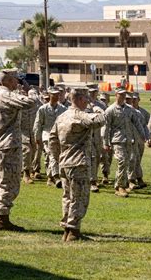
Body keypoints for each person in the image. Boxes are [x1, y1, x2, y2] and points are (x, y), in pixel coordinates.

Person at [49, 88, 106, 242]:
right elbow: (100, 120)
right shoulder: (79, 116)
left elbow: (53, 139)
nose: (87, 101)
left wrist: (58, 157)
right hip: (78, 162)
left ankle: (67, 229)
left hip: (65, 162)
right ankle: (74, 231)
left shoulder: (61, 116)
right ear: (80, 99)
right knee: (79, 197)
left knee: (68, 196)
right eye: (86, 99)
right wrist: (96, 107)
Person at [0, 69, 35, 231]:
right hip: (8, 146)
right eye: (15, 80)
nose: (17, 83)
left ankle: (0, 214)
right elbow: (30, 103)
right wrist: (31, 91)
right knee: (10, 181)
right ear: (8, 81)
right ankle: (2, 217)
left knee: (0, 180)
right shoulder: (6, 95)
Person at [103, 86, 147, 197]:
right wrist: (106, 143)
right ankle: (120, 186)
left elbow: (137, 123)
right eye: (120, 94)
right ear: (116, 95)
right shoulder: (110, 110)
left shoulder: (129, 109)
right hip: (117, 140)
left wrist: (143, 135)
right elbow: (106, 127)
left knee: (126, 163)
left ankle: (120, 185)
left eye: (124, 94)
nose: (123, 96)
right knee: (122, 161)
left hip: (129, 140)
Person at [33, 88, 67, 187]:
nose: (56, 97)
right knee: (51, 154)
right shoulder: (43, 109)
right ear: (49, 95)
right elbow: (38, 124)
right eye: (54, 95)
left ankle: (51, 177)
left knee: (55, 156)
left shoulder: (63, 109)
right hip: (47, 134)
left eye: (58, 95)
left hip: (59, 135)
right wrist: (37, 136)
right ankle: (55, 177)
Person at [86, 89, 105, 193]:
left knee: (97, 158)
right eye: (90, 92)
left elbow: (105, 117)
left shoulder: (100, 105)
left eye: (94, 92)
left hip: (97, 135)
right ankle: (92, 181)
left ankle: (93, 177)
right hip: (86, 136)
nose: (92, 94)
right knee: (91, 157)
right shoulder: (82, 104)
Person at [131, 92, 150, 188]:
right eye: (132, 99)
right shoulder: (127, 111)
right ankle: (134, 179)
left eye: (135, 99)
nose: (133, 100)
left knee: (138, 160)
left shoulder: (143, 112)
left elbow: (147, 125)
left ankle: (135, 178)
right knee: (133, 159)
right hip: (130, 141)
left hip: (140, 140)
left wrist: (148, 137)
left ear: (139, 100)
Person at [20, 89, 38, 184]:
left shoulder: (38, 107)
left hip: (33, 133)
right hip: (23, 133)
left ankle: (29, 170)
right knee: (26, 151)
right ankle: (25, 174)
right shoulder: (21, 107)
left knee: (33, 152)